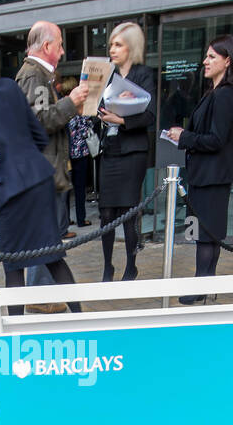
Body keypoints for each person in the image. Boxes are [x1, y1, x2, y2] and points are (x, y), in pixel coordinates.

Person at [0, 31, 82, 316]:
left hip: (9, 190)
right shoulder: (8, 86)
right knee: (53, 256)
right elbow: (38, 135)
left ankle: (15, 337)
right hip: (38, 179)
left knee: (15, 265)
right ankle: (82, 318)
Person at [164, 34, 233, 305]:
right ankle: (204, 283)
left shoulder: (225, 96)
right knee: (201, 234)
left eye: (211, 56)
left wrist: (184, 137)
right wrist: (184, 135)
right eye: (206, 56)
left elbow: (216, 140)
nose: (205, 61)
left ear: (227, 60)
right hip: (203, 175)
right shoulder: (215, 92)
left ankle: (202, 285)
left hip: (211, 178)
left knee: (206, 236)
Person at [14, 21, 89, 294]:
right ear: (46, 46)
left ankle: (44, 294)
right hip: (42, 171)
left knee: (45, 238)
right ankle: (42, 296)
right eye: (59, 45)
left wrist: (70, 106)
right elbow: (41, 119)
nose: (62, 51)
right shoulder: (34, 76)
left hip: (44, 169)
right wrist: (72, 102)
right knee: (44, 239)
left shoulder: (36, 75)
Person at [96, 22, 157, 282]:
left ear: (132, 46)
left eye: (118, 44)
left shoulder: (144, 74)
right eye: (111, 44)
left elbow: (150, 115)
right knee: (106, 213)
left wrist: (121, 120)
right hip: (109, 151)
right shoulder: (107, 75)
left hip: (132, 152)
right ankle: (107, 266)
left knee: (127, 213)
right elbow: (97, 107)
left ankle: (131, 265)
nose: (112, 49)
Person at [60, 80, 92, 232]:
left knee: (65, 189)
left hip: (65, 155)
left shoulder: (61, 108)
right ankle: (81, 218)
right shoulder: (80, 108)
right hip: (80, 153)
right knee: (80, 189)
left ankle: (65, 220)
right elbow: (87, 131)